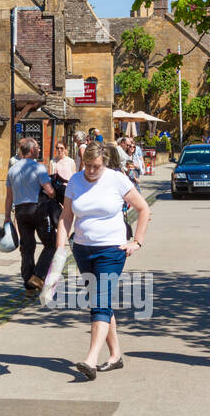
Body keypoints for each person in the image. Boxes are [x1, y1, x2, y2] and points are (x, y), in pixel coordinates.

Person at [55, 142, 152, 380]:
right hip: (82, 250)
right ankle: (115, 354)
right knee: (100, 301)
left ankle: (90, 360)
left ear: (104, 163)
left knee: (100, 301)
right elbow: (66, 217)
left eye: (95, 166)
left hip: (111, 250)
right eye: (87, 165)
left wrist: (137, 241)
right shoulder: (76, 181)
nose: (90, 171)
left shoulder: (117, 179)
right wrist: (59, 249)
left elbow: (143, 209)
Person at [5, 137, 57, 295]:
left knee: (27, 248)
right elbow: (50, 191)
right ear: (32, 150)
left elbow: (9, 196)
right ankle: (38, 276)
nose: (40, 150)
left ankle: (28, 287)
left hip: (20, 212)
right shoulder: (38, 167)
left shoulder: (12, 170)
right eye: (38, 147)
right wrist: (56, 195)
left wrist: (7, 217)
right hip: (37, 209)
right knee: (51, 244)